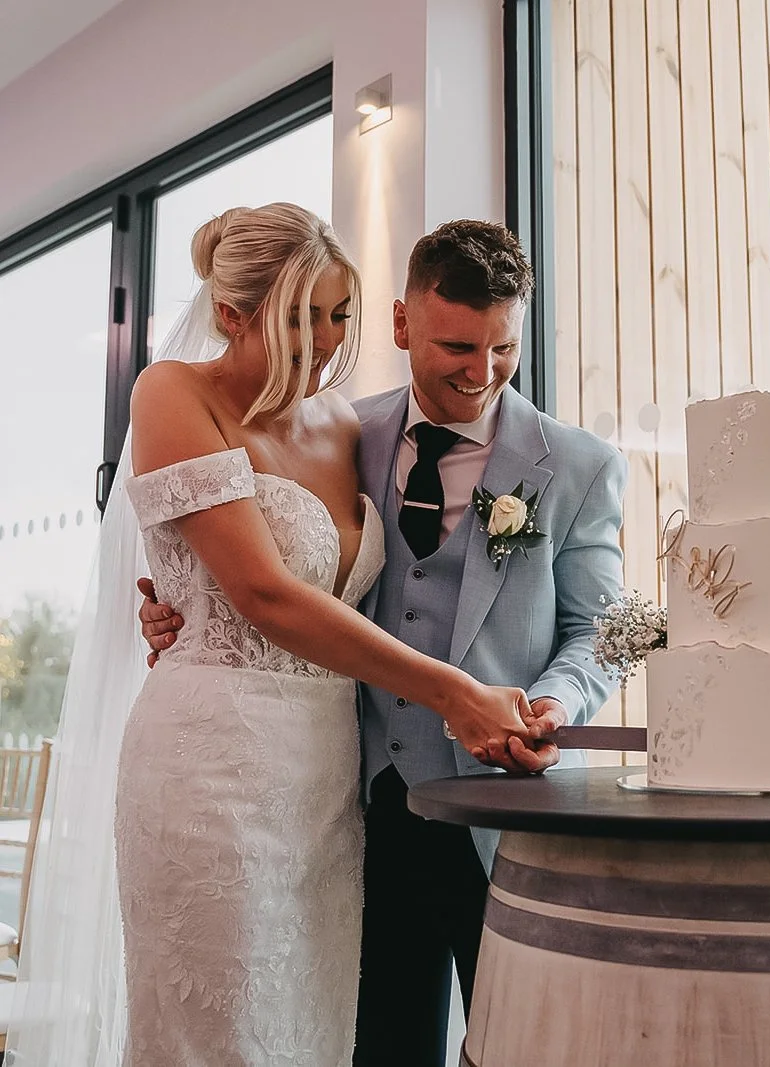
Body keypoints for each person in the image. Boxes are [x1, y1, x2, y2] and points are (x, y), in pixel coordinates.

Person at [7, 204, 537, 1067]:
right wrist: (449, 689)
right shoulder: (171, 391)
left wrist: (175, 595)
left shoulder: (345, 426)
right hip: (210, 769)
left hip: (325, 780)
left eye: (337, 316)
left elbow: (385, 582)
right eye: (302, 317)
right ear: (231, 312)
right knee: (219, 1031)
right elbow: (261, 589)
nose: (326, 342)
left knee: (311, 1027)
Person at [140, 219, 628, 1067]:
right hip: (358, 801)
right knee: (367, 1042)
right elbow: (256, 568)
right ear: (403, 325)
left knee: (524, 1045)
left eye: (502, 349)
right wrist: (177, 604)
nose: (481, 373)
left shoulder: (578, 465)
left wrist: (555, 701)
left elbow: (598, 631)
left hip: (501, 815)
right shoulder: (341, 433)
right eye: (456, 346)